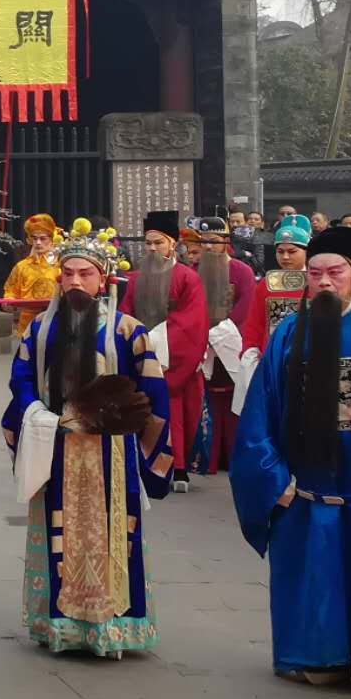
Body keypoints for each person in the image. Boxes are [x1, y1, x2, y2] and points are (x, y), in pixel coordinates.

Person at [2, 221, 170, 656]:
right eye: (69, 273)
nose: (76, 281)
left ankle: (111, 627)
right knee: (59, 535)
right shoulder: (39, 328)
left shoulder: (128, 331)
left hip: (111, 454)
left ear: (103, 279)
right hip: (55, 447)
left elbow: (152, 396)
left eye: (86, 274)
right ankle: (59, 624)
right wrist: (37, 414)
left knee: (114, 535)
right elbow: (20, 380)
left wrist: (145, 443)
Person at [231, 223, 351, 688]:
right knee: (313, 575)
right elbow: (259, 415)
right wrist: (272, 479)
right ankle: (318, 656)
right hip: (306, 483)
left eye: (336, 272)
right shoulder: (287, 334)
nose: (324, 282)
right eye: (315, 273)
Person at [120, 211, 208, 494]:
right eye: (148, 244)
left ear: (173, 244)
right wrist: (133, 339)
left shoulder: (187, 278)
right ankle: (141, 466)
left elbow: (193, 320)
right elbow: (125, 314)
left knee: (176, 412)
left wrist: (156, 338)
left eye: (158, 243)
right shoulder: (135, 279)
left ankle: (178, 466)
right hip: (140, 353)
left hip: (174, 359)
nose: (153, 249)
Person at [190, 216, 264, 477]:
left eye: (214, 241)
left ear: (226, 242)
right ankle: (208, 457)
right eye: (204, 242)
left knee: (233, 398)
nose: (209, 247)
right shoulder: (194, 270)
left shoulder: (241, 271)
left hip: (231, 339)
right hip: (200, 341)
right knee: (207, 397)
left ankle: (231, 456)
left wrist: (219, 333)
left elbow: (245, 308)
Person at [247, 214, 311, 345]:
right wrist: (250, 350)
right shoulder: (267, 283)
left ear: (307, 252)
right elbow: (254, 324)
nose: (285, 257)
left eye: (292, 252)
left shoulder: (317, 281)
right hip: (272, 352)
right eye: (280, 252)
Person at [2, 214, 61, 336]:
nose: (38, 243)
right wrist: (9, 301)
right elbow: (11, 291)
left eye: (43, 238)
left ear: (52, 239)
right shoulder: (22, 266)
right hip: (28, 321)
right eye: (34, 238)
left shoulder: (61, 265)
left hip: (56, 317)